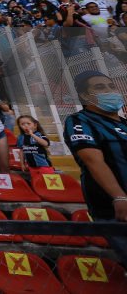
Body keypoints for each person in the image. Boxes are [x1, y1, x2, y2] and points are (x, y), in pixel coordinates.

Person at [63, 70, 127, 256]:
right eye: (99, 87)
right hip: (114, 207)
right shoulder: (79, 121)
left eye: (111, 86)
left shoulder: (124, 124)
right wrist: (119, 197)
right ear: (84, 95)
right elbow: (93, 161)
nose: (109, 91)